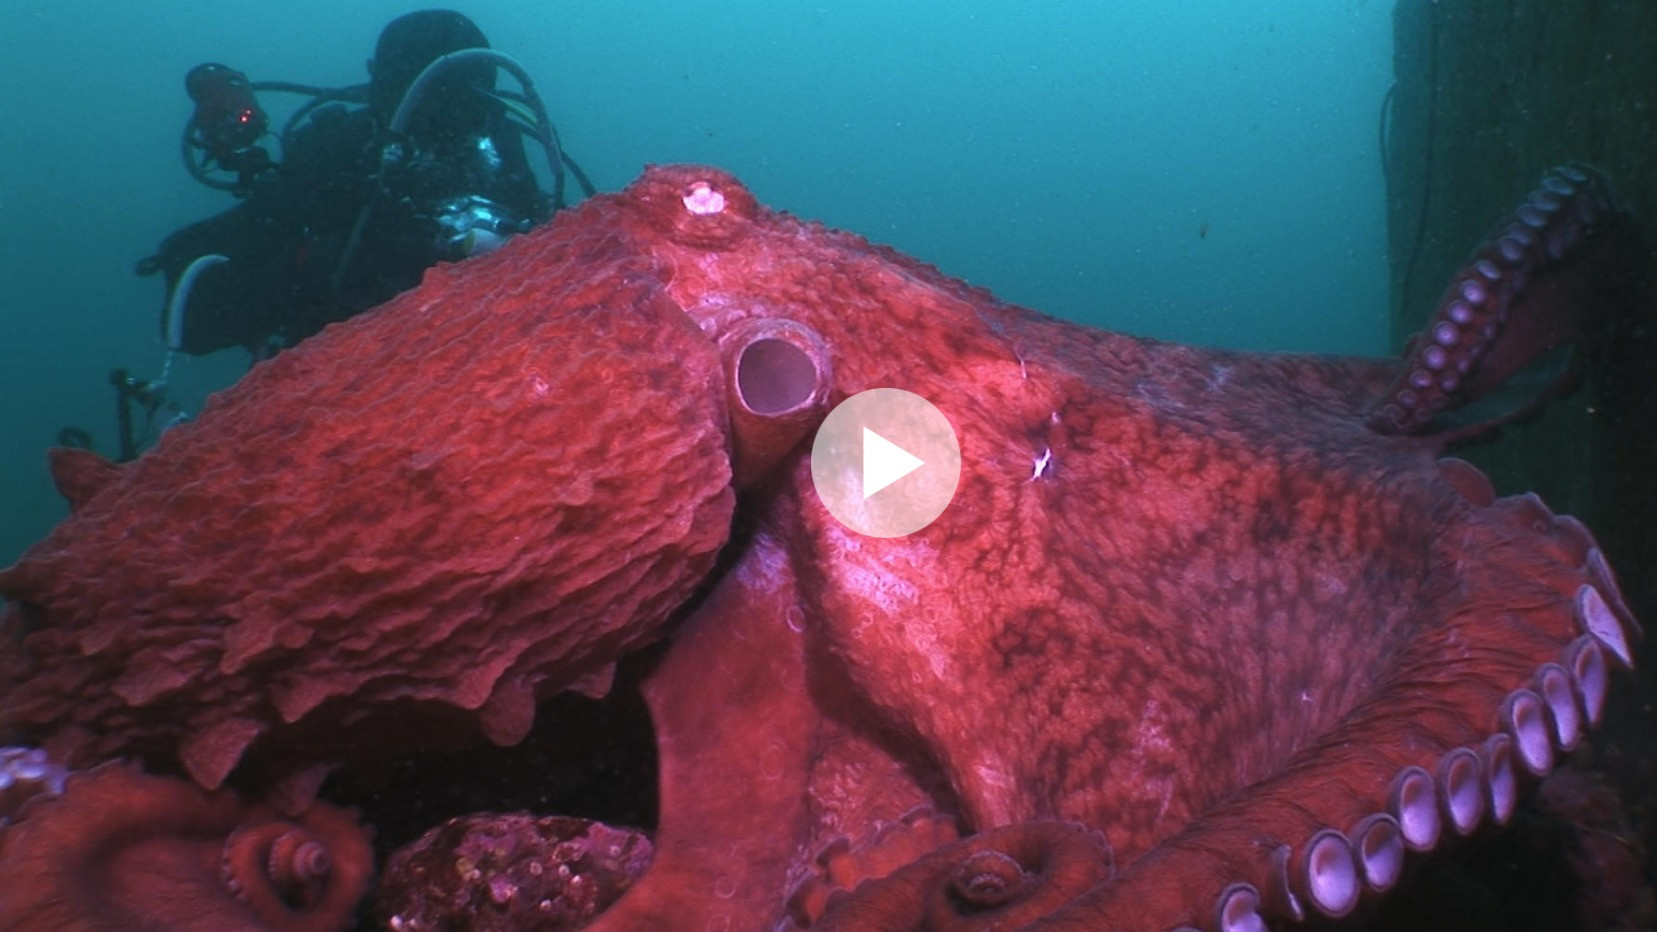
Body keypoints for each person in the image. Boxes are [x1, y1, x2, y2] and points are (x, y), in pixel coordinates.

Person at [136, 9, 591, 362]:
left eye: (462, 103)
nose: (447, 124)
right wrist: (326, 262)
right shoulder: (337, 156)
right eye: (435, 98)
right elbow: (193, 318)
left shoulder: (498, 151)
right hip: (343, 385)